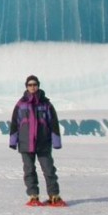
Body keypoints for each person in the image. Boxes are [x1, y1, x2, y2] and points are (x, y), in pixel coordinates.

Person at [9, 75, 66, 207]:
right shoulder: (20, 104)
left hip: (43, 143)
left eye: (34, 84)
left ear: (38, 85)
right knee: (29, 170)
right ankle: (33, 196)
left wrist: (56, 142)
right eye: (30, 85)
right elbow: (14, 124)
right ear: (26, 86)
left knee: (49, 170)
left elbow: (54, 124)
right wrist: (13, 141)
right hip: (25, 144)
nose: (32, 87)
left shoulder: (46, 104)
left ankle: (54, 196)